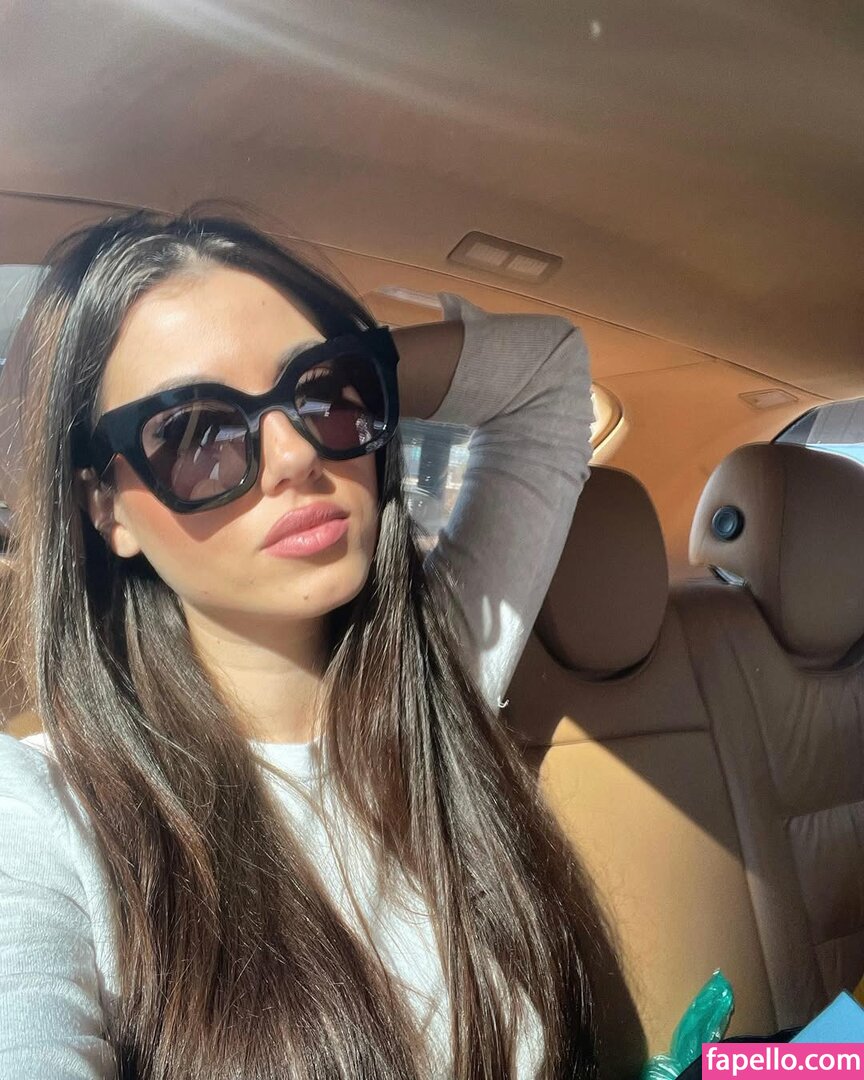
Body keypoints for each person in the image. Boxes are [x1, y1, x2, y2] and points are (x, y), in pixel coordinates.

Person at [0, 209, 599, 1079]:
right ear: (106, 507)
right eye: (196, 433)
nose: (293, 455)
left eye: (325, 396)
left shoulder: (438, 679)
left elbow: (550, 374)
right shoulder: (45, 815)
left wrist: (363, 363)